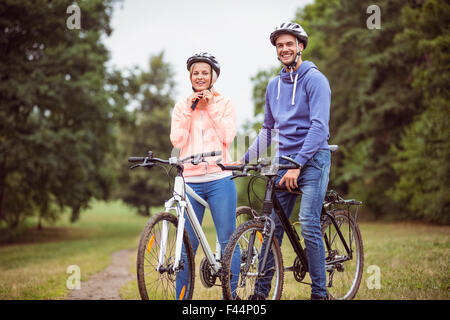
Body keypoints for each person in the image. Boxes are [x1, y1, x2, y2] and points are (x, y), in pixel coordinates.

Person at [243, 22, 332, 300]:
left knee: (307, 222)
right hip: (283, 162)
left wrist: (298, 165)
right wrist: (243, 162)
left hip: (313, 159)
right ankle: (260, 295)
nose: (284, 49)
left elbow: (319, 127)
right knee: (272, 226)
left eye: (289, 44)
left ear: (300, 46)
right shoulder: (274, 86)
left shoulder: (315, 79)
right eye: (280, 45)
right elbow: (268, 129)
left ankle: (320, 294)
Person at [170, 52, 240, 299]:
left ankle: (231, 298)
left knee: (228, 240)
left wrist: (209, 106)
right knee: (187, 247)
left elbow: (227, 137)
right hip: (191, 180)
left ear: (213, 77)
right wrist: (192, 108)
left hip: (220, 178)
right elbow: (177, 139)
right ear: (190, 76)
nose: (200, 76)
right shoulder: (181, 106)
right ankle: (183, 300)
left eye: (204, 72)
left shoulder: (225, 103)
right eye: (195, 72)